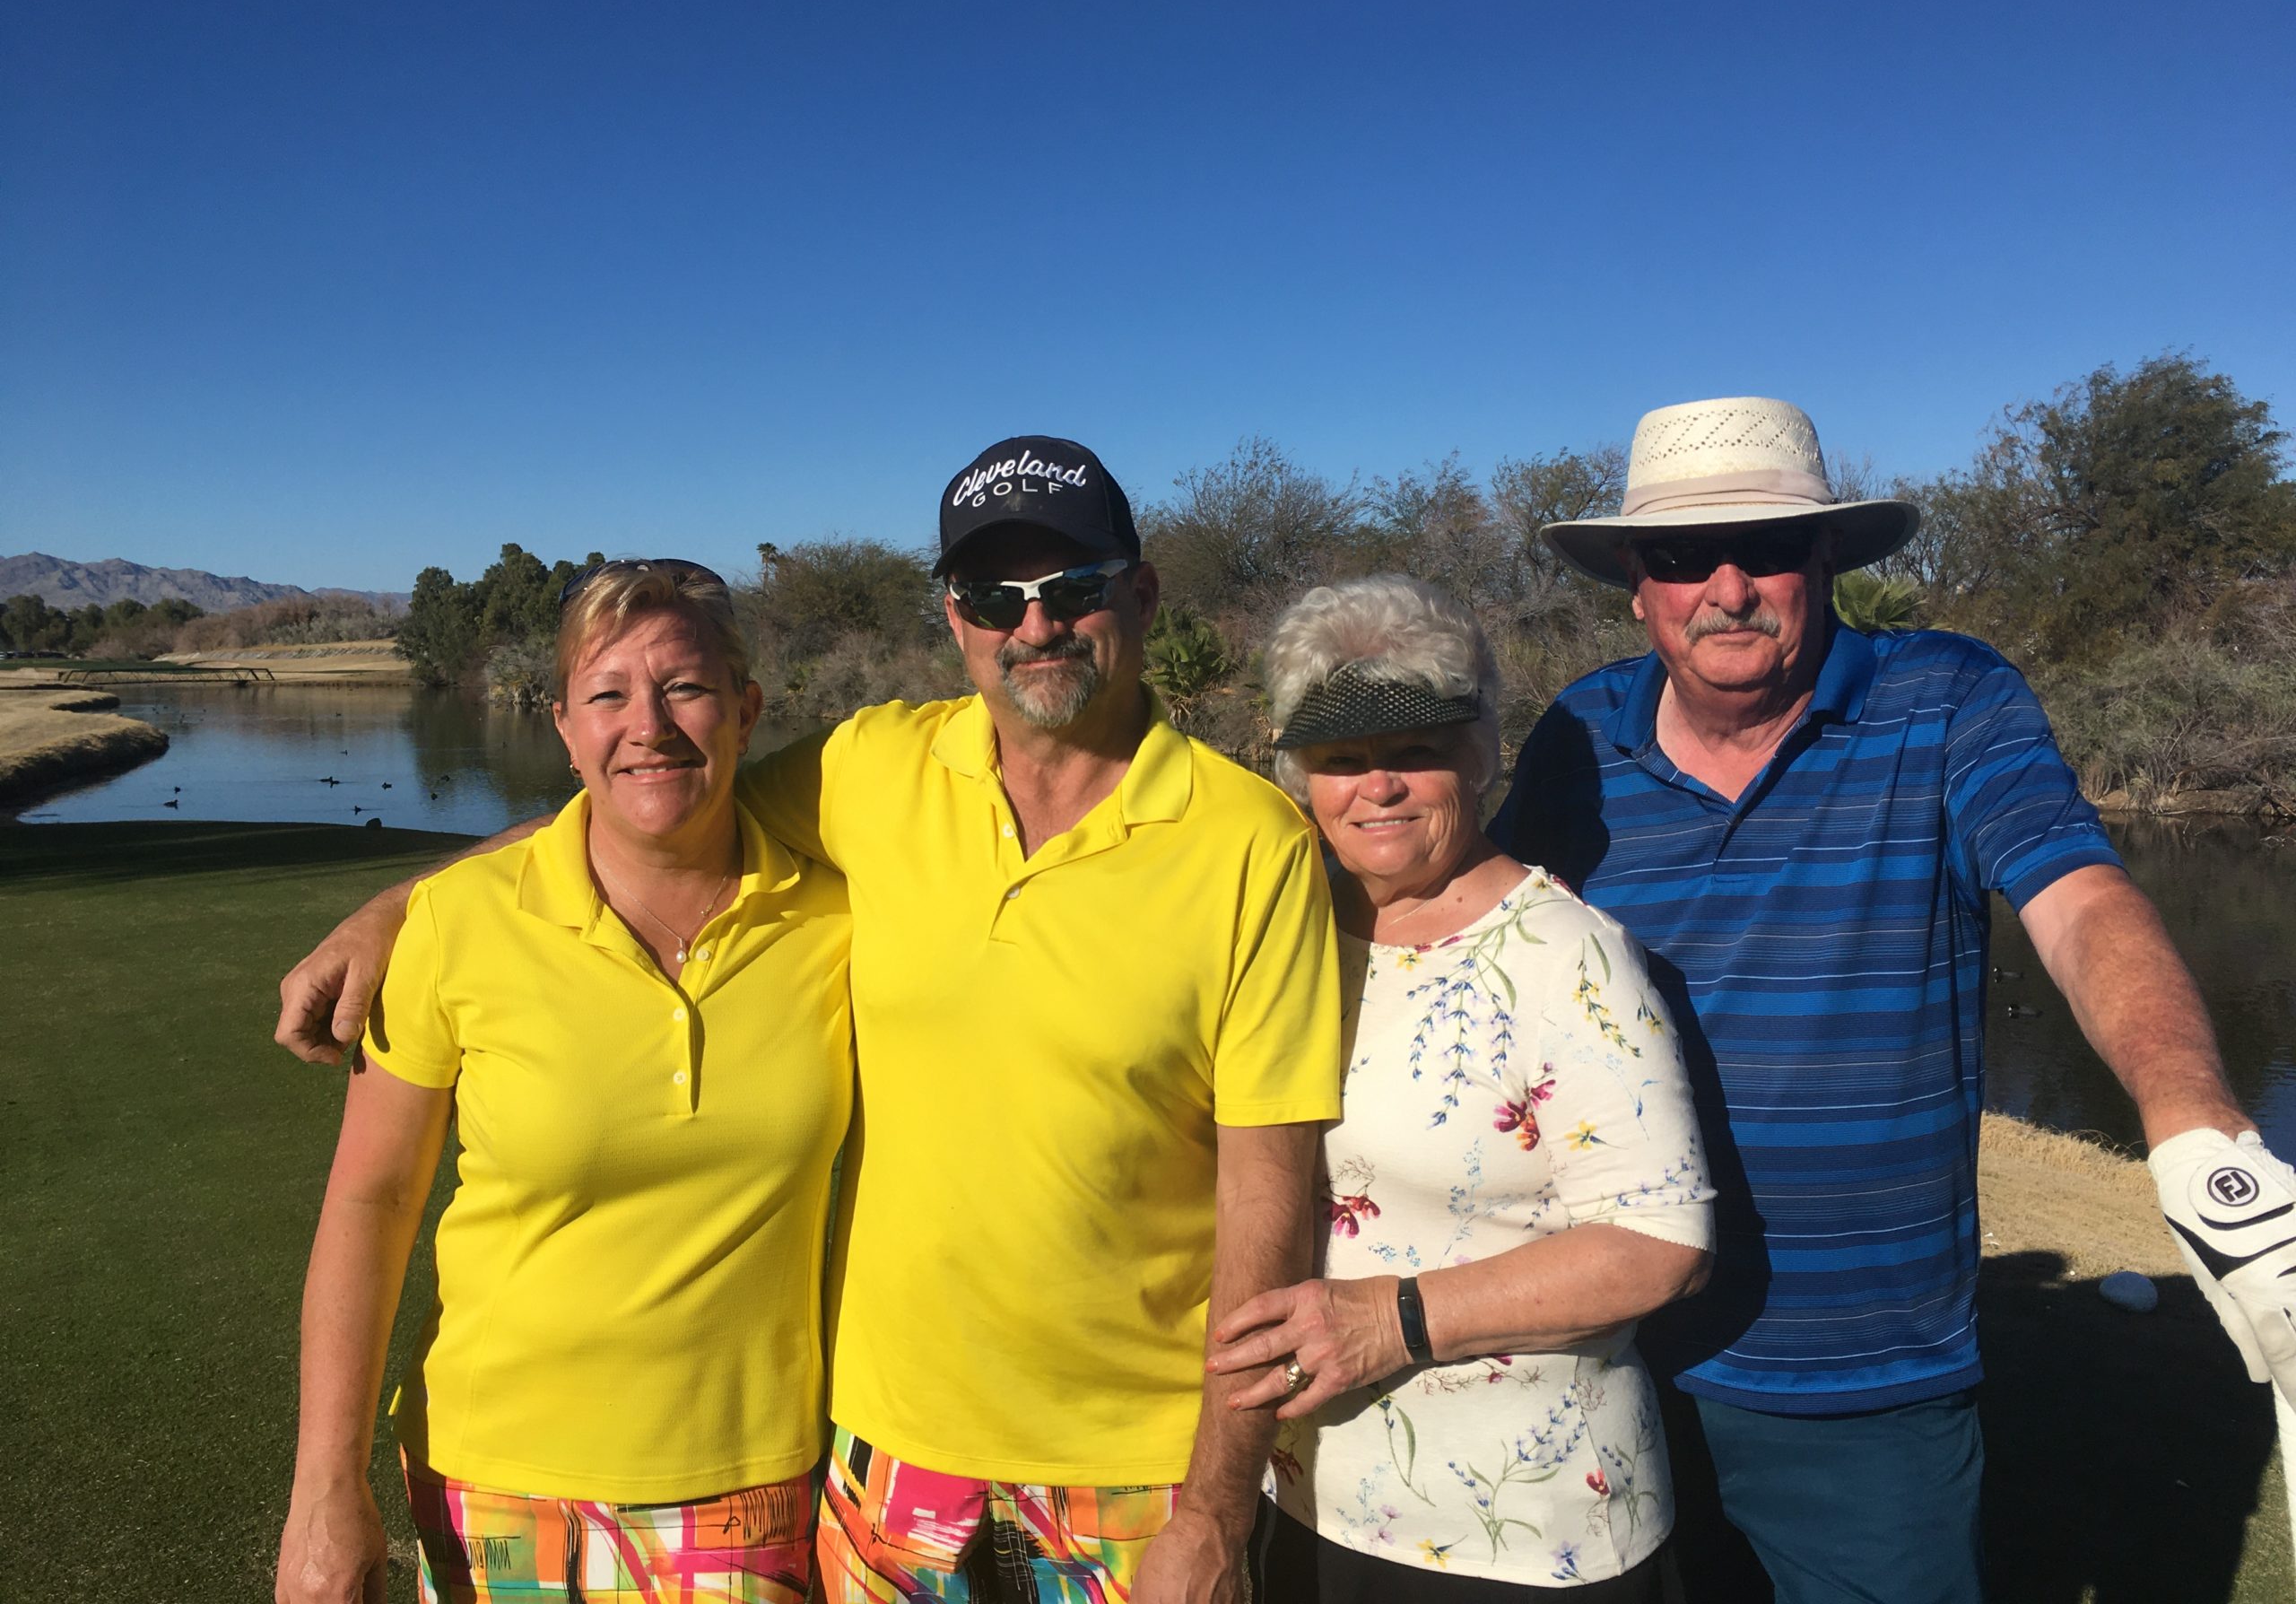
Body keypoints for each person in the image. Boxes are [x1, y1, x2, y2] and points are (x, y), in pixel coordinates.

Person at [274, 438, 1346, 1604]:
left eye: (1072, 588)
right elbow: (649, 800)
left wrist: (1218, 1507)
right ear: (956, 617)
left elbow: (1267, 1198)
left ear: (1139, 594)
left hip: (1135, 1471)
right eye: (995, 596)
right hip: (882, 1463)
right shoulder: (877, 770)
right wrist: (403, 903)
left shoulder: (1249, 843)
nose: (1034, 625)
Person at [1492, 396, 2286, 1603]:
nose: (1726, 588)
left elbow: (2079, 903)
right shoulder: (1577, 734)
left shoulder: (1949, 699)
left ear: (1824, 560)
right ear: (1638, 587)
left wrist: (2194, 1125)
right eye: (1683, 555)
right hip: (1610, 1343)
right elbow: (1487, 950)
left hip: (1866, 1381)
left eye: (1765, 547)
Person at [274, 560, 852, 1604]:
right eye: (607, 695)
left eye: (684, 687)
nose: (648, 726)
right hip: (492, 1480)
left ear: (746, 709)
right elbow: (372, 1203)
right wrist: (324, 1490)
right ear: (563, 727)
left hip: (746, 1483)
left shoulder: (838, 917)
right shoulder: (456, 922)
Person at [1203, 575, 1715, 1602]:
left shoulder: (1564, 957)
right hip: (1304, 1501)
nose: (1377, 788)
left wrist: (1392, 1319)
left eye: (1414, 751)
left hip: (1523, 1540)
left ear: (1476, 754)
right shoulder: (1288, 935)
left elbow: (1663, 1244)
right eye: (1341, 761)